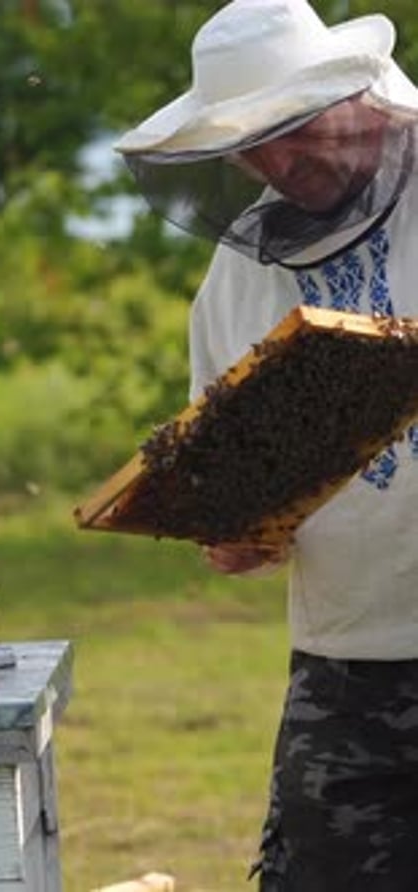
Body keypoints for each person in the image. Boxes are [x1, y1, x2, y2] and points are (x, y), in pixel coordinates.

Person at [115, 1, 418, 889]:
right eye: (249, 144)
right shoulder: (240, 270)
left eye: (293, 130)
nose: (277, 164)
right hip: (347, 661)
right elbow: (231, 460)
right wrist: (234, 529)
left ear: (353, 95)